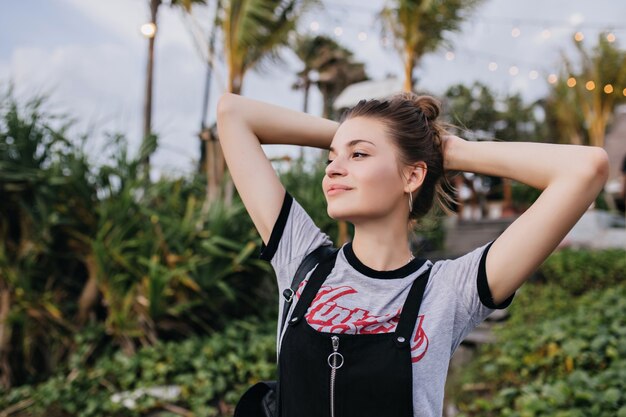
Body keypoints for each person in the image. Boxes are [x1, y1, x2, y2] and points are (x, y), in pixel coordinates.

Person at [216, 91, 608, 417]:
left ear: (412, 176)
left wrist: (446, 150)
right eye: (330, 157)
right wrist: (358, 137)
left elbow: (586, 167)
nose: (333, 169)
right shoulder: (301, 260)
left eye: (358, 156)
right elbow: (234, 113)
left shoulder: (450, 290)